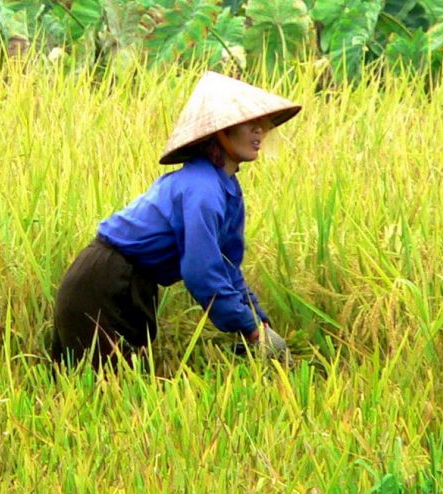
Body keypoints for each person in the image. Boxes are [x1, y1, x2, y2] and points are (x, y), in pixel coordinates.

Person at [50, 71, 302, 369]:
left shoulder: (227, 189)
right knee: (104, 388)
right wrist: (248, 327)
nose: (259, 131)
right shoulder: (202, 189)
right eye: (248, 123)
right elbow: (201, 270)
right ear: (220, 132)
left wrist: (260, 323)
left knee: (120, 385)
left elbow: (226, 265)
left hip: (133, 281)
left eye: (261, 124)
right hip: (105, 281)